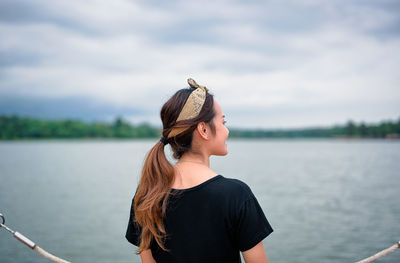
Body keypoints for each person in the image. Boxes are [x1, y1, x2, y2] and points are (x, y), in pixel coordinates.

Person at [126, 78, 273, 263]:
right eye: (223, 122)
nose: (227, 131)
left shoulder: (147, 194)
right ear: (203, 129)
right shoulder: (235, 194)